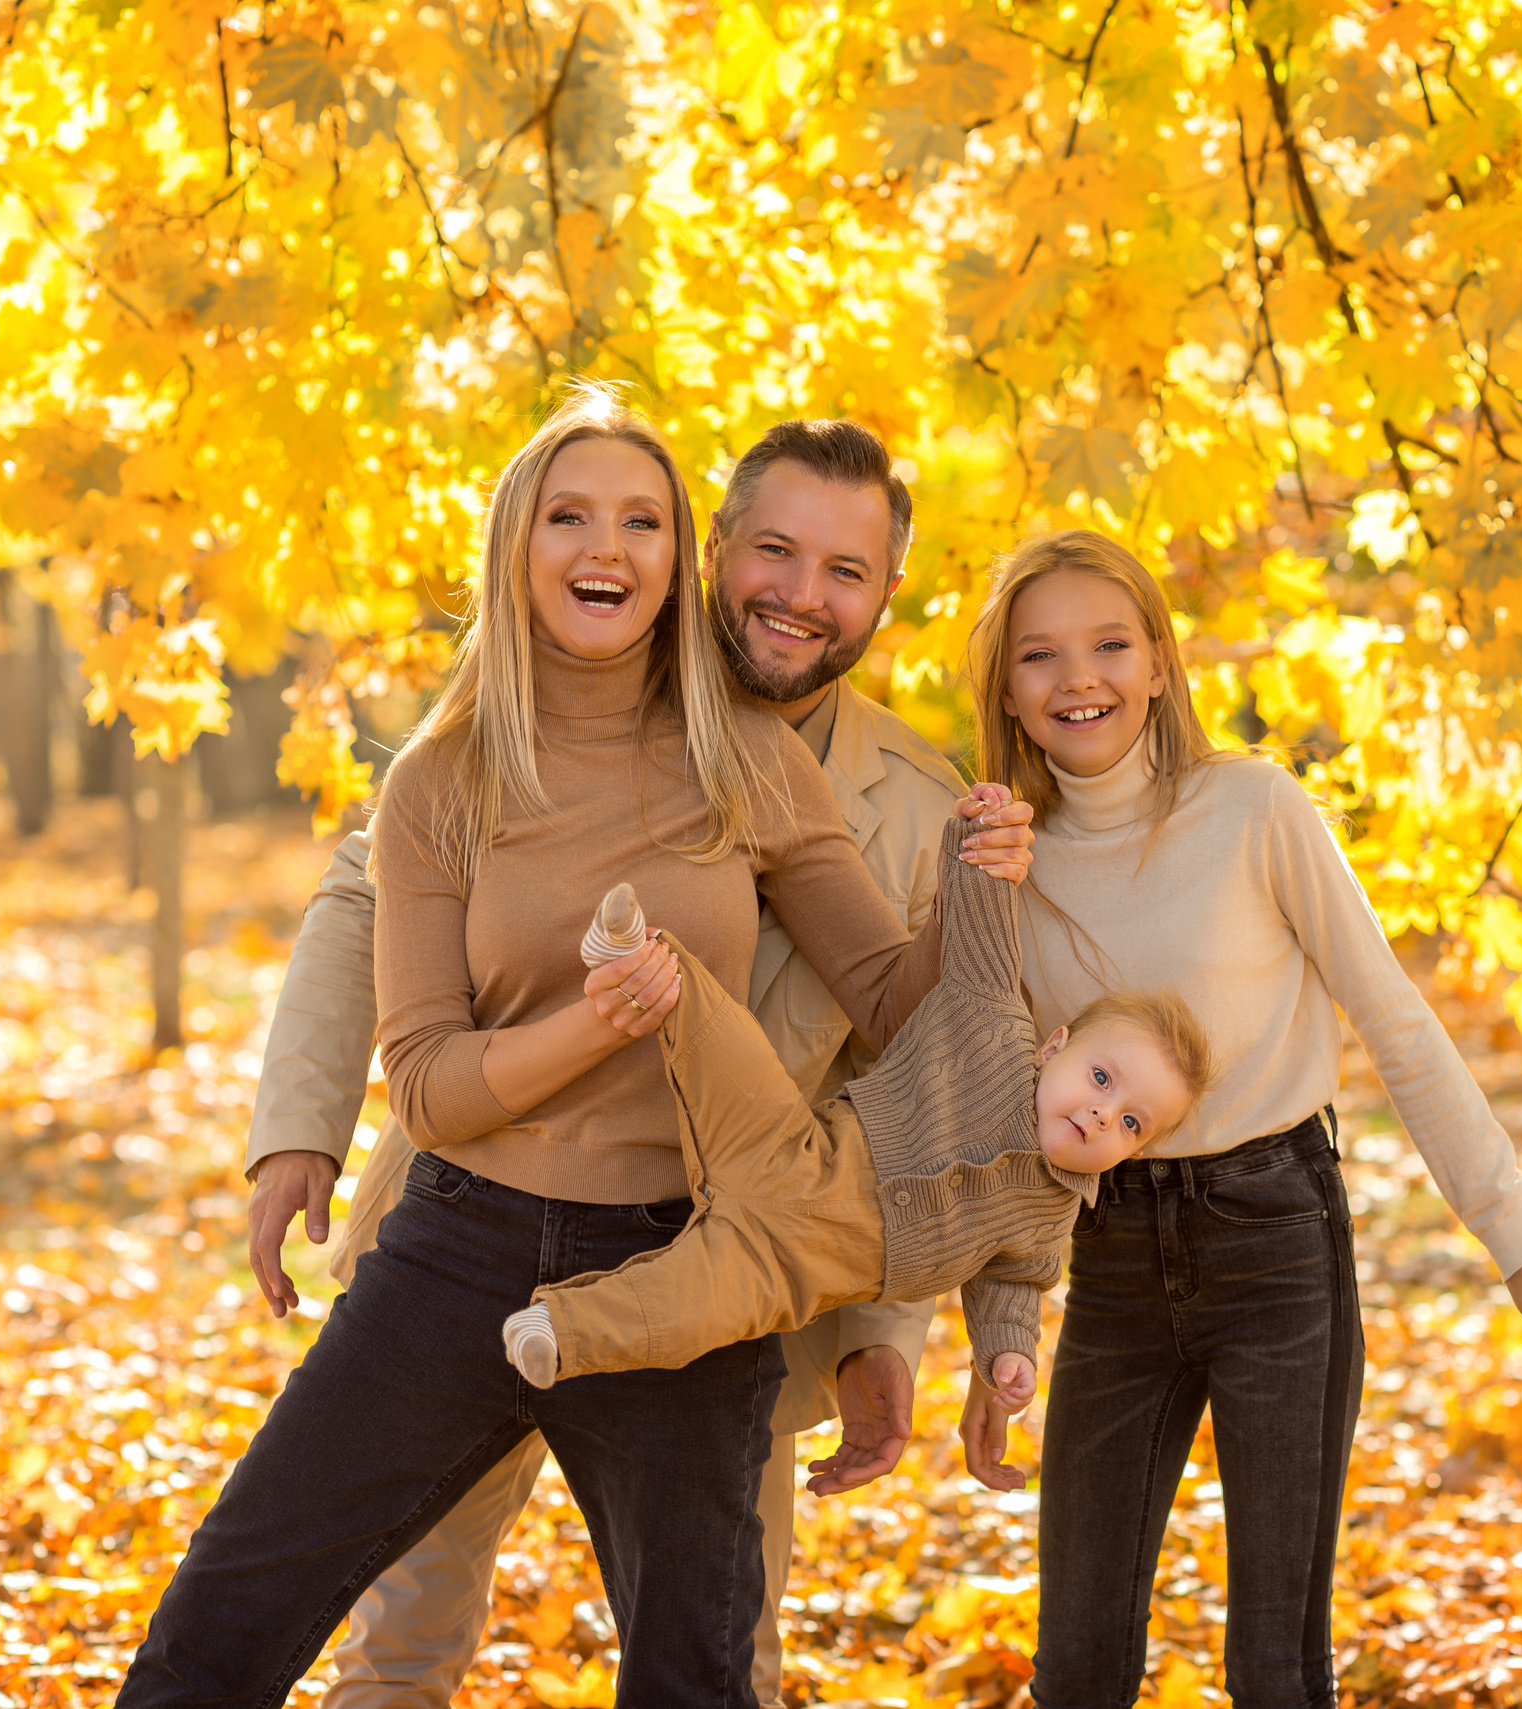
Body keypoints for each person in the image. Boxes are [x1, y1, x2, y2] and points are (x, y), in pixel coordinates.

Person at [116, 390, 1029, 1709]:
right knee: (220, 1631)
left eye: (638, 519)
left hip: (685, 1265)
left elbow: (894, 1000)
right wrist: (583, 1026)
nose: (607, 545)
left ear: (673, 560)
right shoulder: (441, 777)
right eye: (572, 515)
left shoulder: (754, 759)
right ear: (522, 544)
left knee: (698, 1681)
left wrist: (973, 892)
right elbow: (423, 1076)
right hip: (456, 1249)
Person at [949, 530, 1522, 1709]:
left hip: (1274, 1241)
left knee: (1275, 1662)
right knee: (1075, 1663)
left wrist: (1513, 1232)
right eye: (1040, 655)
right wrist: (998, 1326)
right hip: (1111, 1259)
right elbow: (1017, 1130)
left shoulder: (1252, 808)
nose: (1081, 678)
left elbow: (1396, 1017)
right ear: (1007, 691)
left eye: (1111, 643)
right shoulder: (1009, 863)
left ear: (1161, 662)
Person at [502, 804, 1211, 1402]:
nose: (1101, 1115)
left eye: (1129, 1122)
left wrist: (1007, 1354)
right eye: (1100, 1078)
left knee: (688, 1312)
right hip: (791, 1147)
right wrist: (980, 836)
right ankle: (636, 954)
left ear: (1135, 1150)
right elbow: (982, 935)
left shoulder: (1052, 1213)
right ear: (1055, 1045)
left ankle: (560, 1331)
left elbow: (1011, 1285)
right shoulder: (992, 1026)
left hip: (789, 1270)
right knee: (724, 1043)